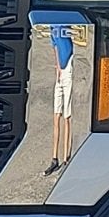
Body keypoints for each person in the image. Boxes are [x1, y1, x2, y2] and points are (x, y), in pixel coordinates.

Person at [46, 24, 75, 175]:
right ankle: (54, 158)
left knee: (67, 116)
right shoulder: (52, 26)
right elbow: (55, 46)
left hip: (69, 68)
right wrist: (57, 66)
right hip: (60, 71)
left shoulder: (65, 22)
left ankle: (66, 158)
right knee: (56, 115)